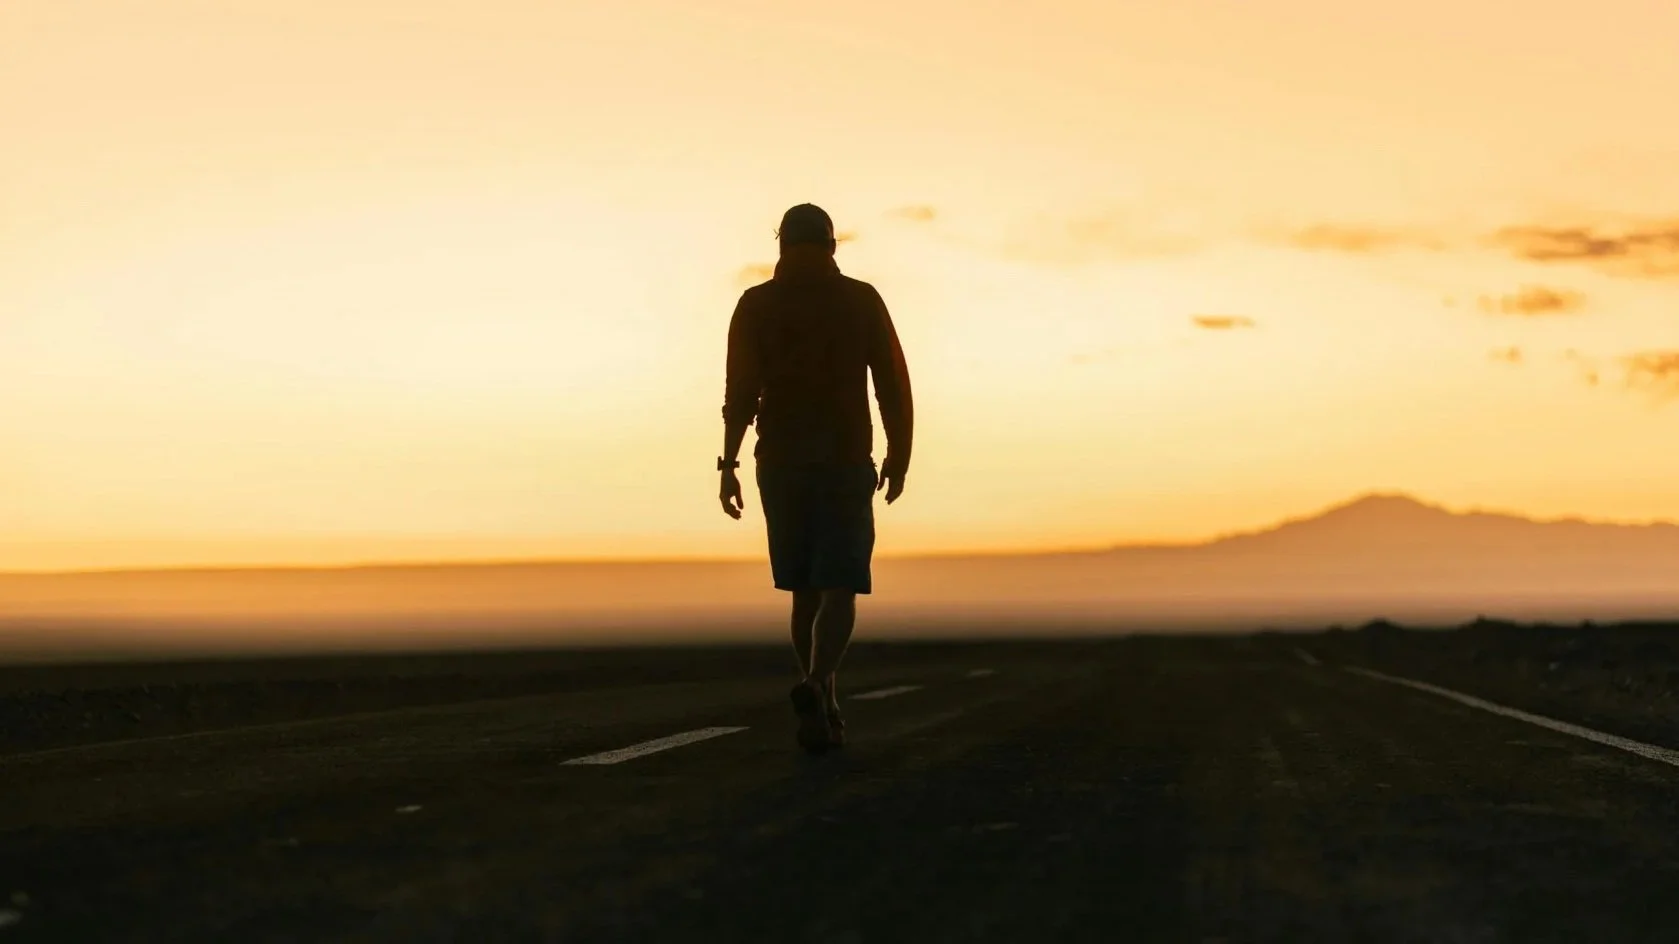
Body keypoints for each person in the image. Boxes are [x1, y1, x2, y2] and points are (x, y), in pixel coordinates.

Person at [717, 203, 914, 753]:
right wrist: (901, 451)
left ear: (781, 244)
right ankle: (815, 686)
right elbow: (892, 384)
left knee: (804, 591)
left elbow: (740, 395)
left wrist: (728, 464)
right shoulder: (859, 298)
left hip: (778, 462)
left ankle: (825, 704)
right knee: (842, 584)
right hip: (845, 458)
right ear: (831, 243)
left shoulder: (756, 304)